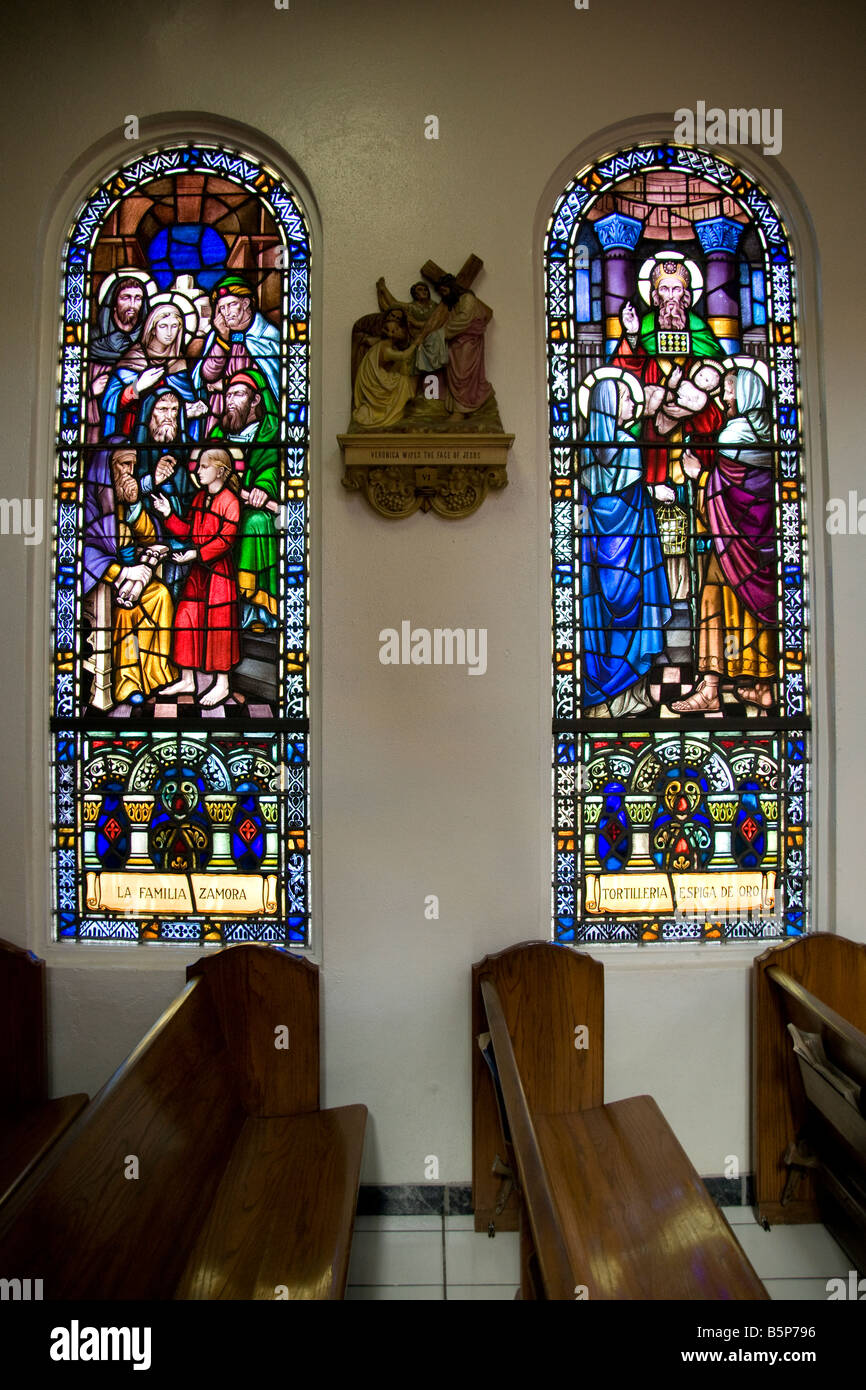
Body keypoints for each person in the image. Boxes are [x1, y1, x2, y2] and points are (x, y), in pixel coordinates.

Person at [672, 366, 777, 712]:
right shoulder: (766, 438)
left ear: (746, 395)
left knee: (712, 600)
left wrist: (698, 476)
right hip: (759, 545)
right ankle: (762, 685)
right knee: (755, 607)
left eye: (731, 390)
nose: (725, 397)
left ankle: (711, 687)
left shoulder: (734, 435)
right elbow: (755, 497)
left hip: (730, 542)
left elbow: (724, 494)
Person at [579, 376, 672, 715]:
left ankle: (607, 697)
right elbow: (632, 503)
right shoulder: (628, 446)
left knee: (600, 619)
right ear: (609, 405)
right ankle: (632, 695)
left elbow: (587, 506)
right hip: (631, 552)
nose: (633, 404)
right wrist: (653, 493)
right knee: (633, 616)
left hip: (596, 552)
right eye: (625, 399)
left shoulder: (585, 449)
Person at [83, 442, 177, 706]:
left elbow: (148, 536)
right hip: (106, 583)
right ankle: (128, 683)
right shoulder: (92, 503)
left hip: (134, 575)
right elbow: (86, 553)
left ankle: (156, 673)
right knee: (126, 611)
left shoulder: (125, 500)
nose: (130, 472)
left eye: (133, 466)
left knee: (160, 595)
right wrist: (121, 573)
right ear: (107, 469)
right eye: (125, 465)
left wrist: (135, 506)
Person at [153, 448, 241, 708]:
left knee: (219, 628)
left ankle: (222, 684)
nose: (198, 471)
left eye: (204, 466)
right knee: (185, 619)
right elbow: (188, 531)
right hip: (198, 572)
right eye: (199, 466)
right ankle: (187, 678)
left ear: (221, 471)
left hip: (219, 574)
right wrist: (168, 513)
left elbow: (226, 540)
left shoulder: (230, 502)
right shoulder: (200, 498)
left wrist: (195, 554)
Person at [211, 368, 280, 629]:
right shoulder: (218, 435)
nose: (230, 401)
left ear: (255, 400)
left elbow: (274, 467)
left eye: (238, 394)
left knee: (256, 524)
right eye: (228, 395)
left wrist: (264, 487)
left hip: (252, 508)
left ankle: (256, 610)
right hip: (220, 506)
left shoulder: (270, 434)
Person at [101, 302, 207, 440]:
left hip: (171, 440)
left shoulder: (179, 362)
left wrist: (188, 409)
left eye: (174, 326)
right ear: (152, 328)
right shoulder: (134, 359)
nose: (169, 333)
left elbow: (185, 406)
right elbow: (110, 402)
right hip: (133, 438)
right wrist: (137, 387)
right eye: (163, 326)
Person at [193, 275, 280, 432]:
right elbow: (208, 375)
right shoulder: (217, 336)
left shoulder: (266, 335)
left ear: (246, 303)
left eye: (232, 305)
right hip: (221, 412)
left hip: (256, 413)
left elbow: (271, 380)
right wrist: (222, 341)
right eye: (222, 308)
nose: (227, 312)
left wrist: (225, 386)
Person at [87, 275, 151, 442]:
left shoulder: (149, 346)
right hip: (98, 431)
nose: (132, 305)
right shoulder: (93, 342)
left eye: (138, 299)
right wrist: (90, 392)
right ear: (113, 304)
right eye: (125, 298)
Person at [436, 274, 493, 416]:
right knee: (454, 372)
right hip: (456, 342)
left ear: (452, 287)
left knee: (463, 373)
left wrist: (444, 332)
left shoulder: (467, 298)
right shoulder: (455, 303)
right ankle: (456, 408)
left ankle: (461, 410)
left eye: (444, 291)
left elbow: (464, 319)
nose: (443, 295)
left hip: (469, 341)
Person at [352, 307, 419, 427]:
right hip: (376, 381)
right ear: (391, 333)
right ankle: (387, 411)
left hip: (378, 376)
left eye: (399, 321)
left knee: (403, 373)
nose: (401, 330)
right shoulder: (385, 347)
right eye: (398, 329)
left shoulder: (385, 345)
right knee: (403, 382)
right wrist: (416, 344)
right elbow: (403, 356)